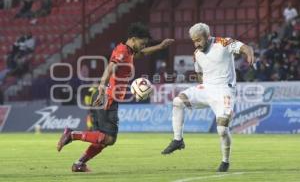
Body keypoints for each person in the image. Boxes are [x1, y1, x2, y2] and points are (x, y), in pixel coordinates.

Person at [57, 22, 174, 172]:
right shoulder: (122, 51)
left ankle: (79, 164)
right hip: (107, 97)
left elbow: (142, 53)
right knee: (109, 138)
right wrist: (101, 88)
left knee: (103, 140)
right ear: (132, 39)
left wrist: (160, 47)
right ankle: (71, 135)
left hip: (109, 97)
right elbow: (111, 67)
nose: (144, 45)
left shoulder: (129, 52)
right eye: (142, 42)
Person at [161, 23, 254, 172]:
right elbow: (199, 74)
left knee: (222, 129)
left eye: (199, 40)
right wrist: (200, 89)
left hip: (224, 91)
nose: (196, 44)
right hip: (206, 88)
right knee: (178, 101)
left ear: (207, 36)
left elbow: (245, 48)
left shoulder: (223, 43)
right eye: (194, 41)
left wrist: (249, 54)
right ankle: (178, 140)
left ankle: (225, 161)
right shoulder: (197, 54)